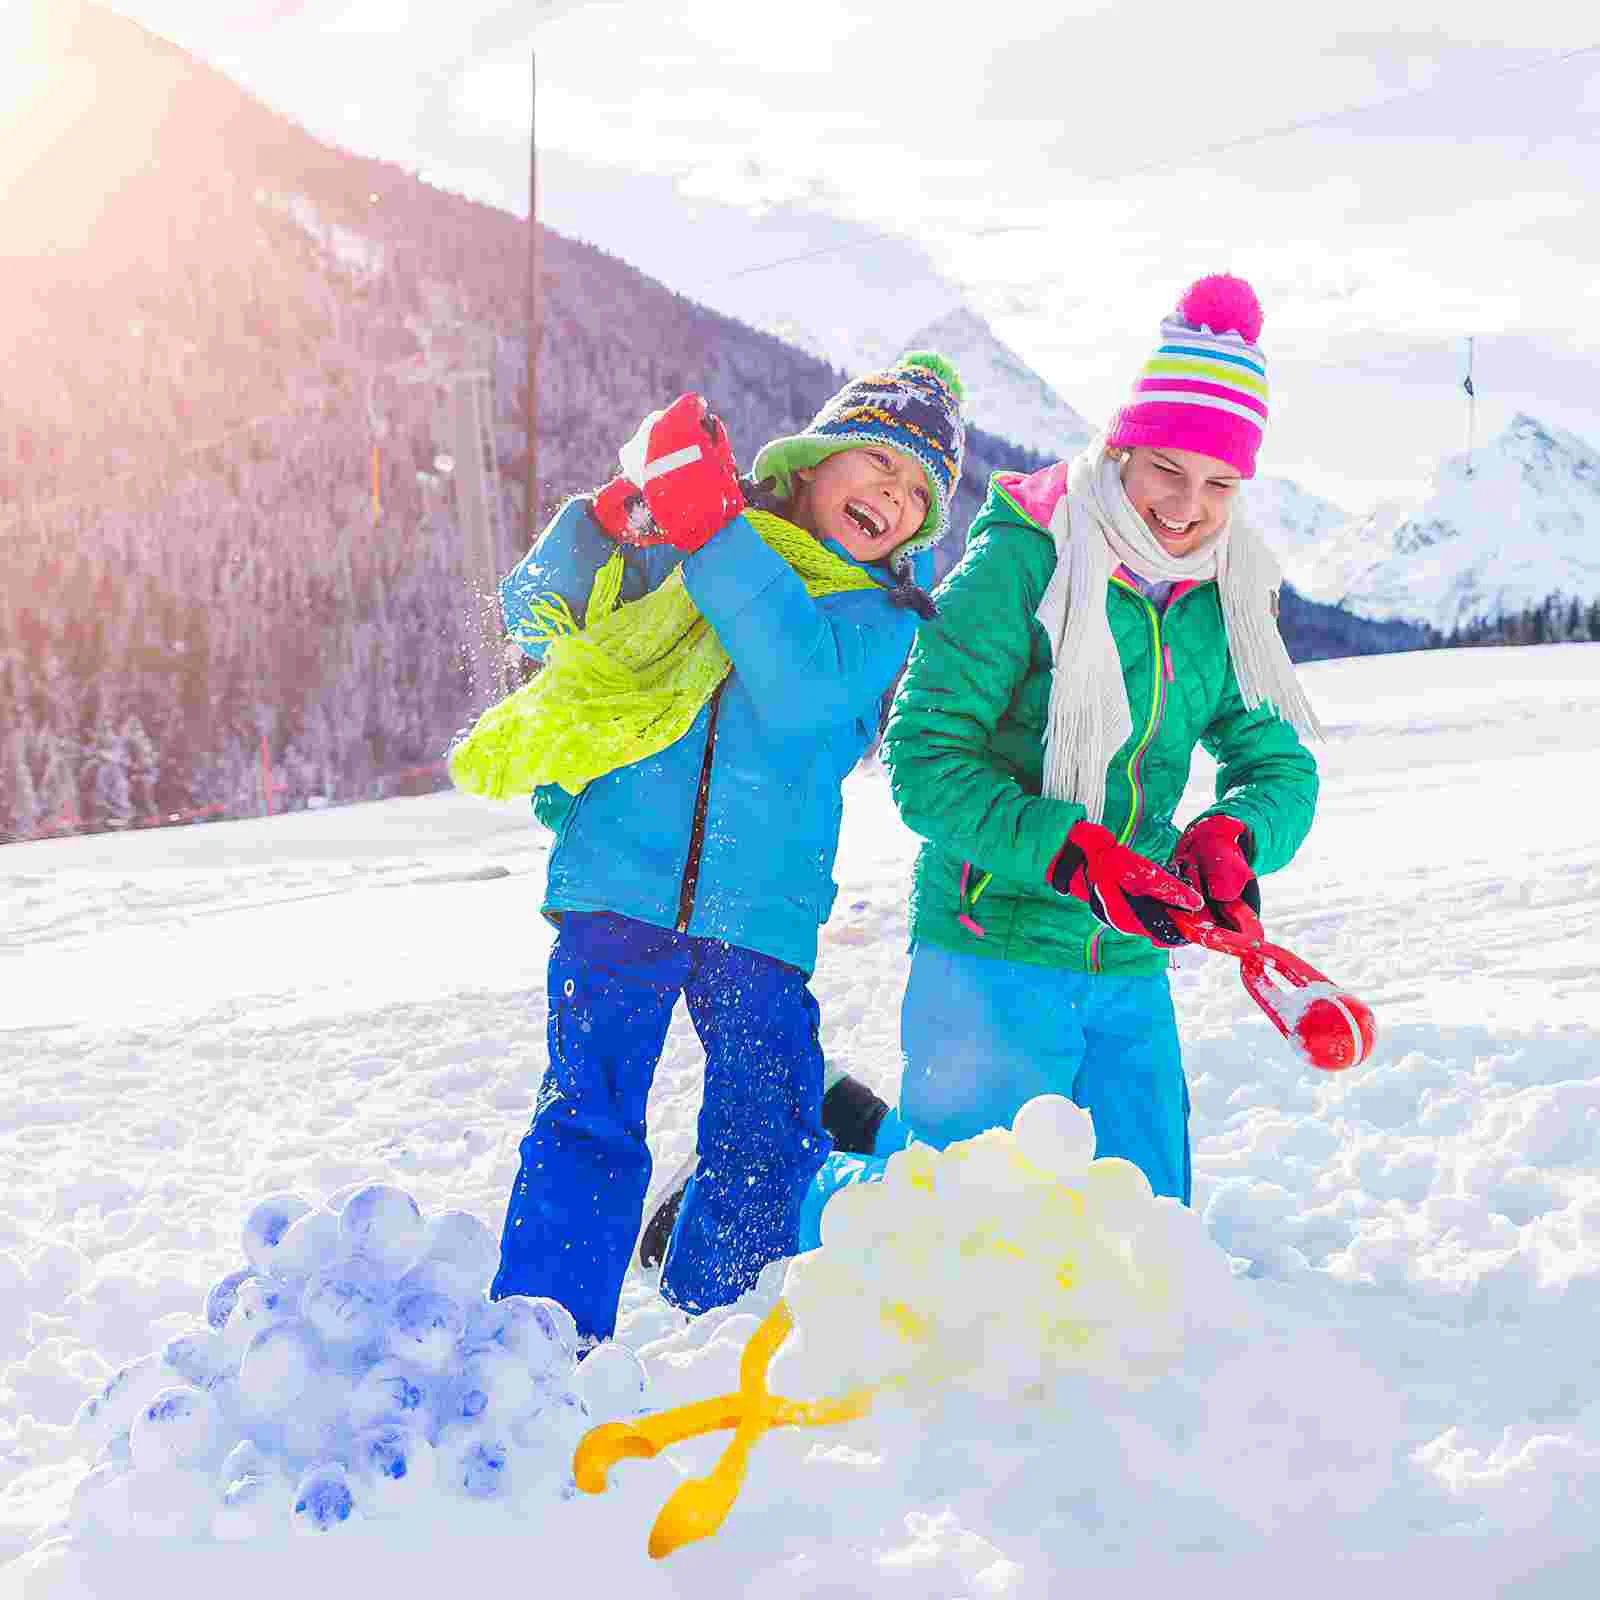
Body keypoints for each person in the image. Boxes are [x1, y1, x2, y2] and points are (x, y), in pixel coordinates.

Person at [796, 273, 1323, 1230]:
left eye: (1219, 483)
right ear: (1121, 448)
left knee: (1148, 1236)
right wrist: (1069, 849)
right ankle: (791, 1184)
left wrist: (1234, 838)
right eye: (1167, 468)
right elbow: (923, 756)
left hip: (1129, 960)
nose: (1186, 507)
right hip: (992, 941)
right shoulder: (1025, 557)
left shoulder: (1229, 589)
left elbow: (1278, 761)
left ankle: (864, 1124)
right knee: (966, 1237)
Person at [461, 354, 966, 1344]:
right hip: (616, 887)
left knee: (769, 1127)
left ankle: (713, 1323)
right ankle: (545, 1341)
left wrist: (715, 533)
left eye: (918, 494)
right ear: (815, 461)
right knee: (587, 1116)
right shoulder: (683, 552)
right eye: (880, 464)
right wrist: (605, 525)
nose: (895, 499)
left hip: (760, 921)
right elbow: (537, 615)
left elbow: (800, 689)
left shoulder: (875, 616)